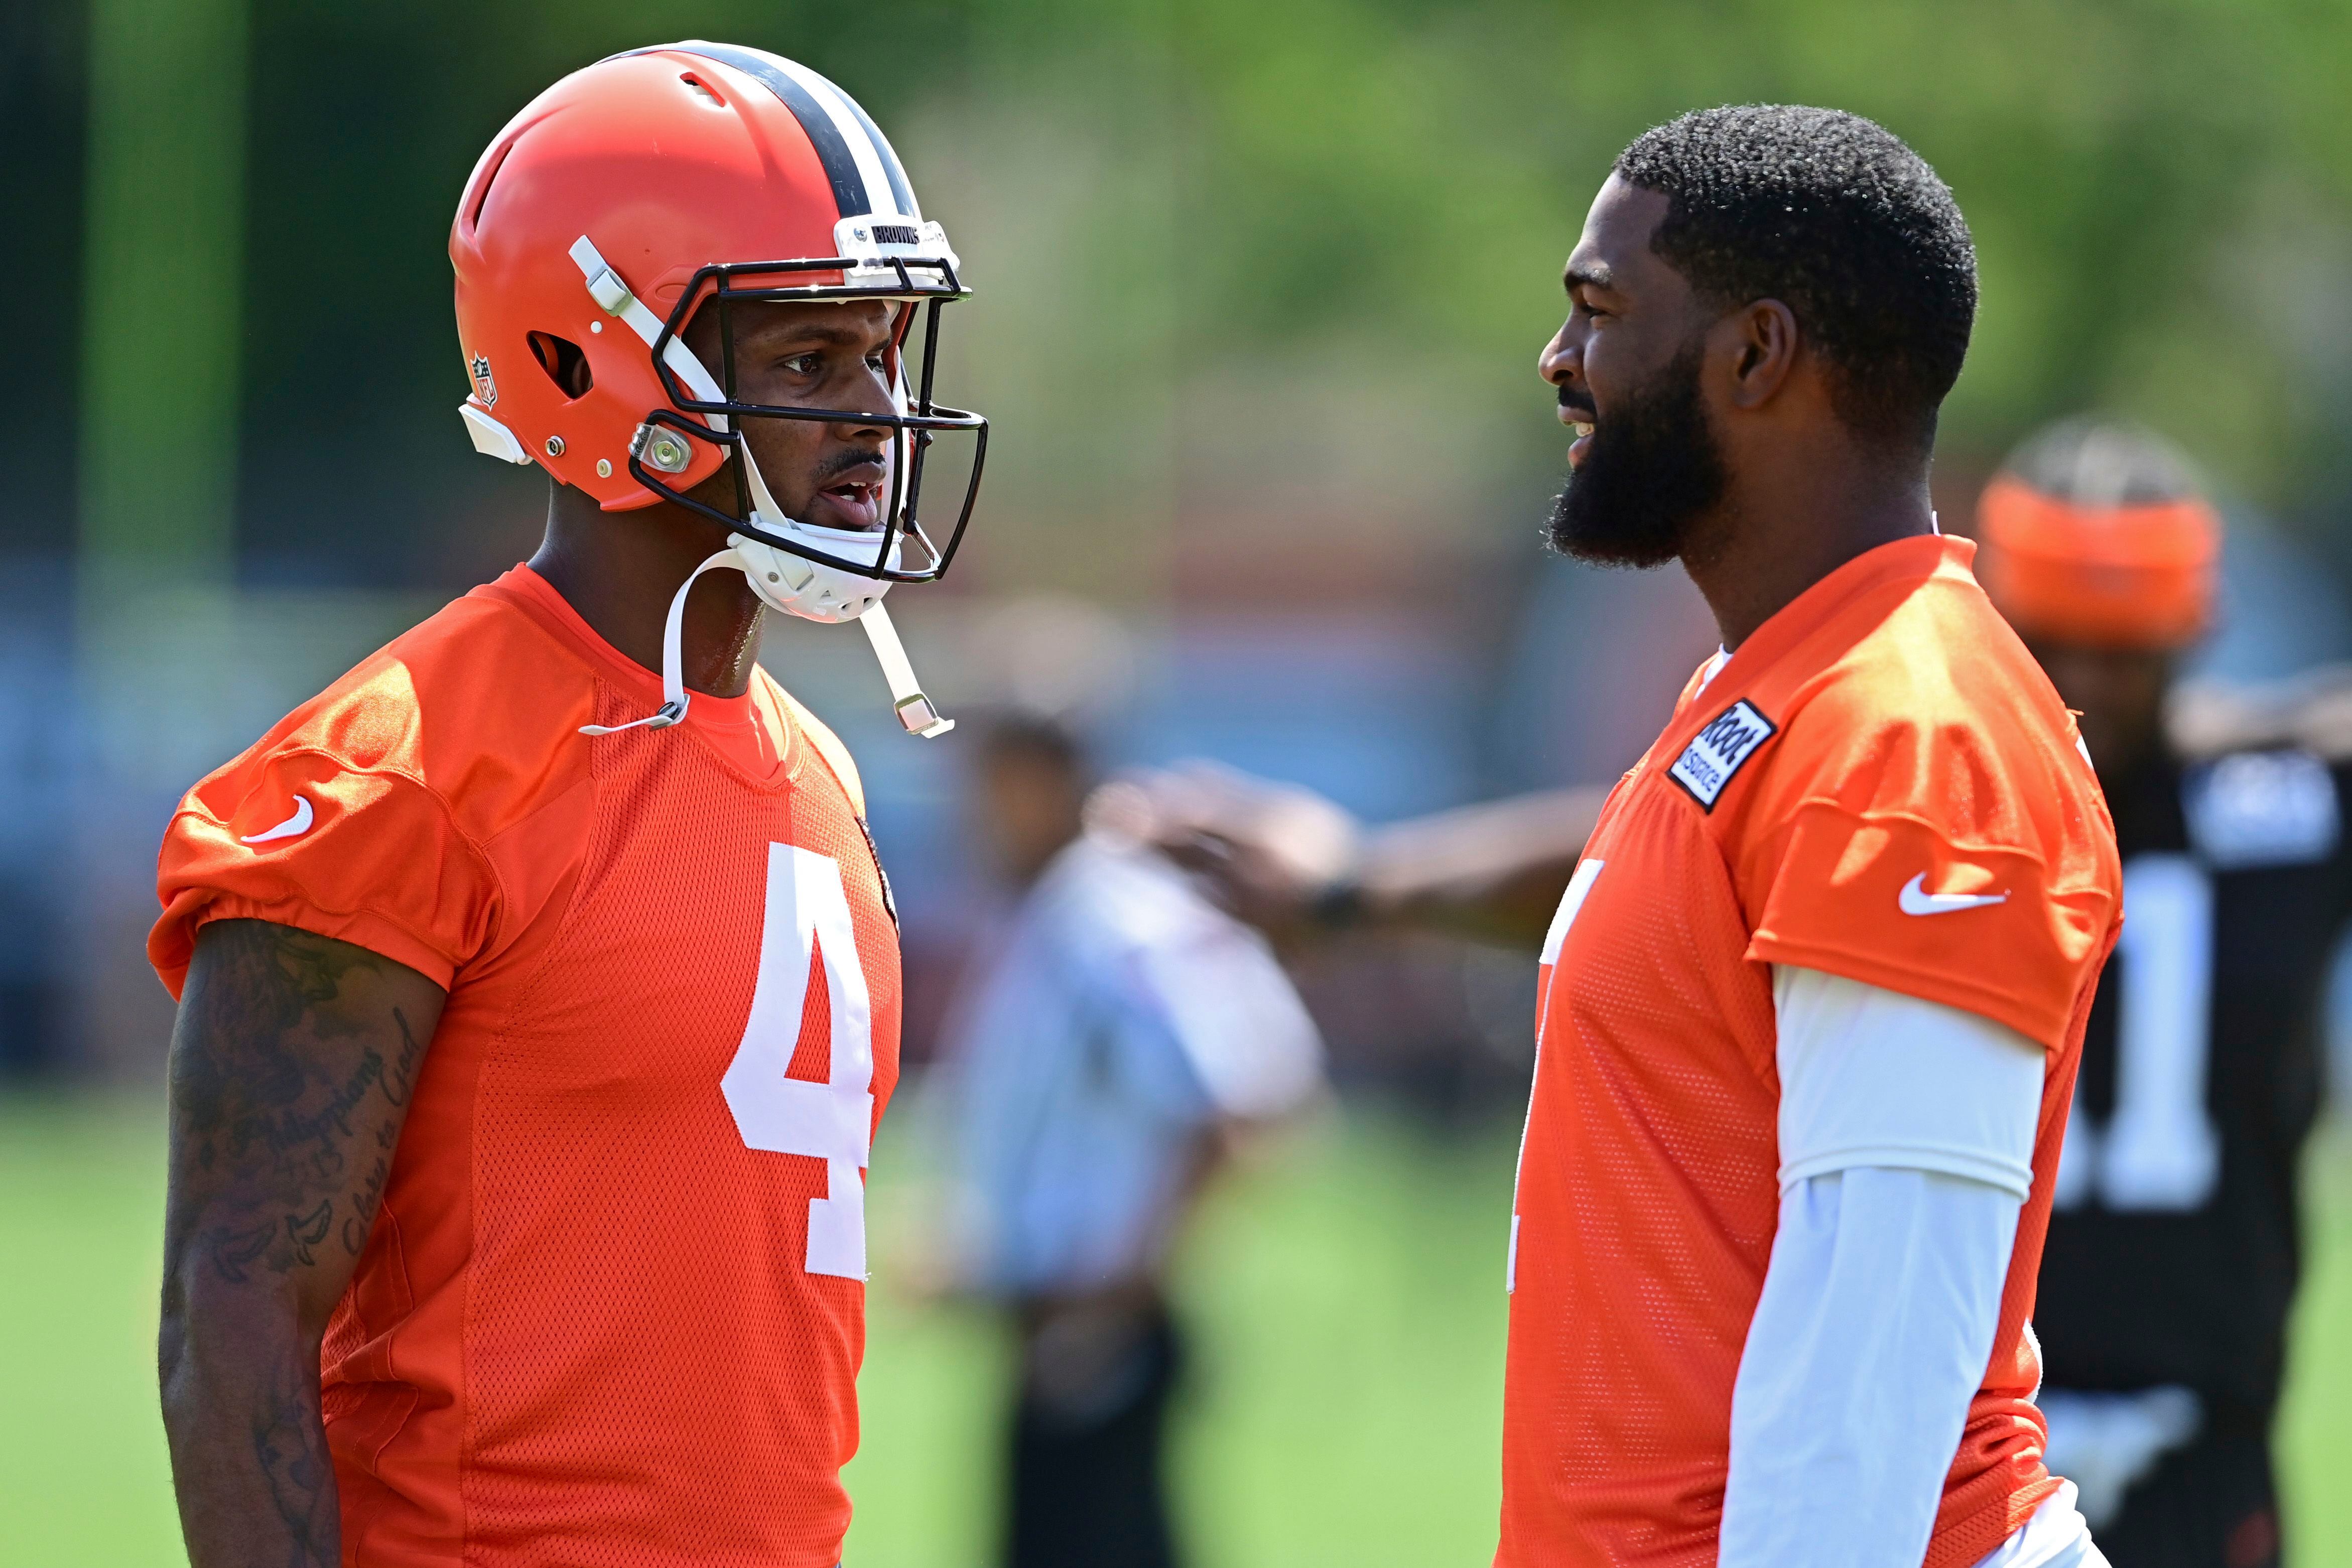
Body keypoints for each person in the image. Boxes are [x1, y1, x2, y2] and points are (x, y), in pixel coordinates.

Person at [1141, 106, 2126, 1566]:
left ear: (1752, 355)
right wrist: (1359, 885)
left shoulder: (1907, 738)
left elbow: (1875, 1352)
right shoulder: (1770, 688)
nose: (1556, 361)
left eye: (1596, 310)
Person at [148, 43, 985, 1567]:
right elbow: (234, 1316)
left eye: (881, 350)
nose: (875, 413)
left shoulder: (819, 764)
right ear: (588, 363)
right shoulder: (398, 769)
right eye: (807, 360)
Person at [1979, 419, 2346, 1568]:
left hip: (2204, 1458)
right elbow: (1662, 849)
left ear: (2194, 632)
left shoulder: (2290, 796)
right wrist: (1396, 885)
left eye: (2124, 645)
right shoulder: (1921, 803)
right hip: (1968, 1465)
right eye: (2055, 640)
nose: (2085, 679)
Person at [934, 717, 1323, 1568]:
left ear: (1043, 777)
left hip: (1097, 1328)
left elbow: (1233, 1105)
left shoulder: (1107, 916)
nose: (974, 812)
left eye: (992, 783)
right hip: (1055, 1319)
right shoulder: (1058, 906)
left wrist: (1118, 1297)